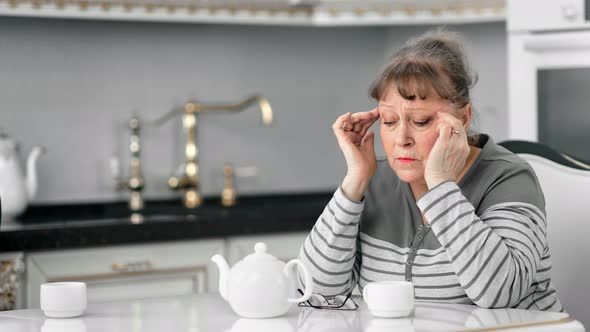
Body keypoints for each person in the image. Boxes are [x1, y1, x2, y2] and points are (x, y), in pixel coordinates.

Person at [298, 28, 563, 312]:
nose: (401, 139)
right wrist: (355, 182)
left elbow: (501, 294)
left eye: (421, 121)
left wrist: (440, 184)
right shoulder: (374, 182)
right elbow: (316, 293)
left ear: (463, 118)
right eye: (388, 121)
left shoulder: (510, 179)